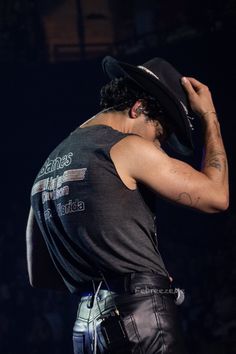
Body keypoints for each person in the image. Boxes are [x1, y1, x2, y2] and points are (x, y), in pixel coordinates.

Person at [26, 56, 229, 354]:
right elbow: (217, 196)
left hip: (86, 331)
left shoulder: (45, 170)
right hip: (142, 322)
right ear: (139, 108)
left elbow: (39, 276)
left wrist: (108, 278)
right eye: (159, 136)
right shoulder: (126, 147)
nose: (157, 148)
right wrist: (210, 116)